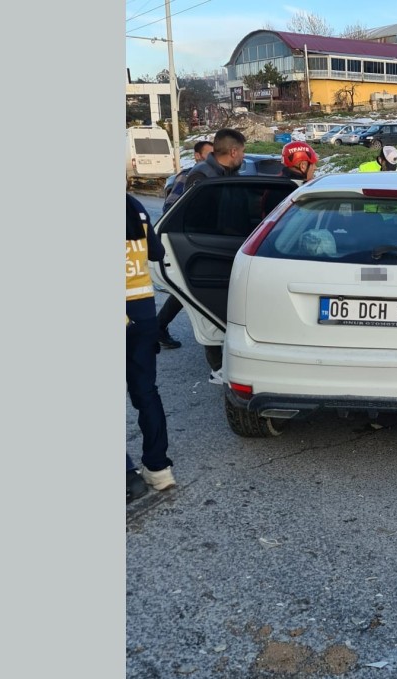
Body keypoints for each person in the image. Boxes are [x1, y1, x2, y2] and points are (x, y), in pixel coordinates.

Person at [127, 193, 176, 502]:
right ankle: (158, 470)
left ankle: (125, 477)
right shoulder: (134, 207)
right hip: (143, 317)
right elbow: (156, 252)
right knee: (146, 392)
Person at [156, 138, 214, 349]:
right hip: (186, 239)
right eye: (209, 154)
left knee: (185, 289)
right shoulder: (189, 176)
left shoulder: (212, 174)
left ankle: (158, 327)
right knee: (185, 288)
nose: (213, 159)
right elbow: (171, 209)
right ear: (198, 156)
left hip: (198, 238)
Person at [183, 128, 246, 192]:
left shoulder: (232, 172)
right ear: (233, 152)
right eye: (243, 151)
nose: (244, 155)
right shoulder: (200, 176)